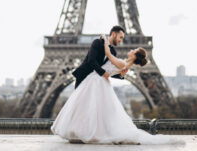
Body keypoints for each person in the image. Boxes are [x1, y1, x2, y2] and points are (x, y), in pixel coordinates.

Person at [51, 35, 183, 145]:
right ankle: (87, 133)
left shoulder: (122, 64)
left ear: (135, 55)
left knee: (91, 109)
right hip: (97, 81)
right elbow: (113, 70)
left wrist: (105, 40)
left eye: (133, 49)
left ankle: (87, 133)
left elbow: (108, 54)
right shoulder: (125, 65)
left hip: (97, 81)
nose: (130, 49)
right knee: (94, 110)